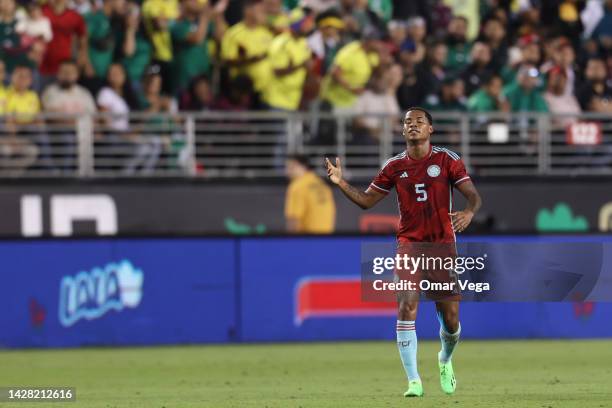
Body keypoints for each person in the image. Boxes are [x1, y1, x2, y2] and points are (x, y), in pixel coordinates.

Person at [325, 107, 482, 398]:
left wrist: (469, 212)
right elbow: (367, 201)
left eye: (419, 122)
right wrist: (341, 182)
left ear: (430, 129)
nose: (413, 125)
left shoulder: (447, 160)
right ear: (402, 131)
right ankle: (414, 381)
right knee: (406, 307)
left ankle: (445, 359)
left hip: (442, 246)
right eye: (408, 122)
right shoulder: (394, 166)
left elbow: (473, 195)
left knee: (450, 320)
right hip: (408, 244)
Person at [262, 7, 314, 111]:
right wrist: (301, 65)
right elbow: (277, 71)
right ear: (297, 24)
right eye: (305, 23)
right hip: (276, 99)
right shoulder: (280, 43)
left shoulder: (304, 43)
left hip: (294, 100)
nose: (308, 27)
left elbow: (306, 69)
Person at [221, 0, 273, 101]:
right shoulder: (234, 33)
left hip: (268, 92)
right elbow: (228, 61)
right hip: (244, 92)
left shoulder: (267, 32)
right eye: (260, 9)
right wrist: (252, 59)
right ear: (248, 11)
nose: (264, 12)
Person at [285, 154, 335, 233]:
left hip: (307, 240)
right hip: (327, 239)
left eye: (290, 168)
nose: (287, 172)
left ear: (300, 166)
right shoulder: (323, 185)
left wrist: (291, 243)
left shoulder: (297, 186)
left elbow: (294, 220)